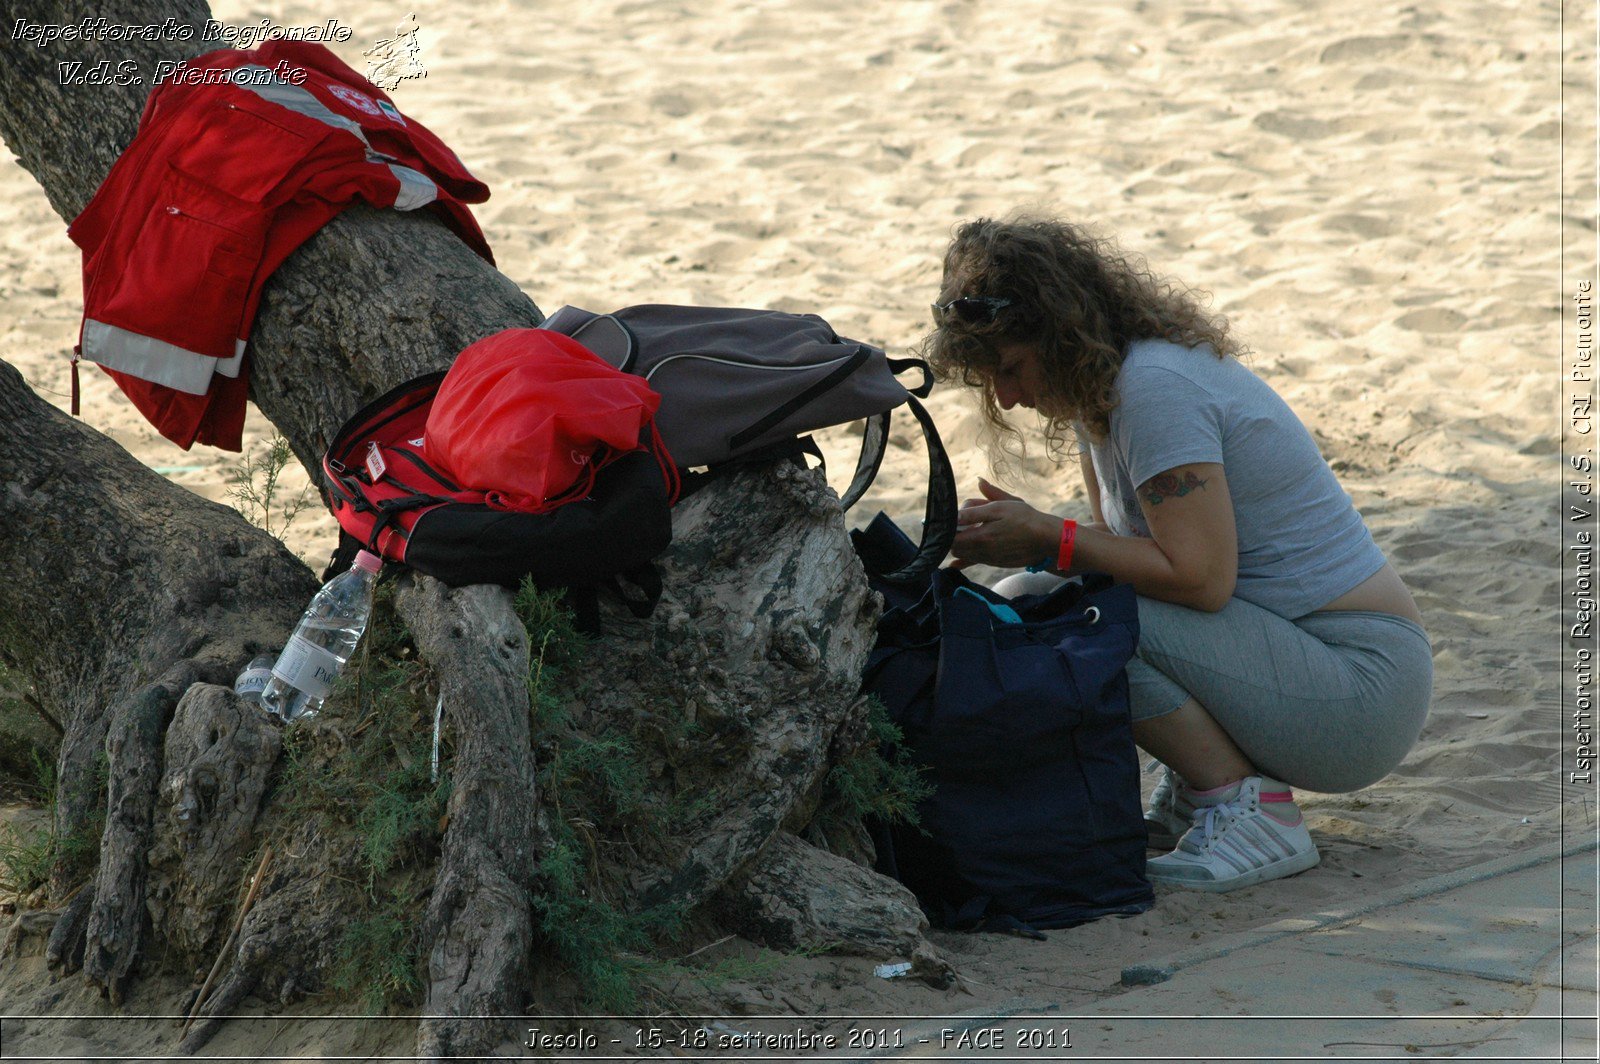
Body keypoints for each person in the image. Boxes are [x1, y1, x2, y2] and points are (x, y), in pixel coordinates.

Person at [925, 216, 1433, 893]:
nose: (1008, 396)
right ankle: (1205, 790)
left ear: (1055, 330)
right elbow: (1141, 559)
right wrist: (1026, 543)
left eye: (1011, 368)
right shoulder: (1104, 396)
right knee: (1029, 601)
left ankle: (1246, 806)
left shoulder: (1155, 389)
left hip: (1360, 690)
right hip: (1299, 664)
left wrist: (1051, 539)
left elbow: (1199, 581)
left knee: (1063, 614)